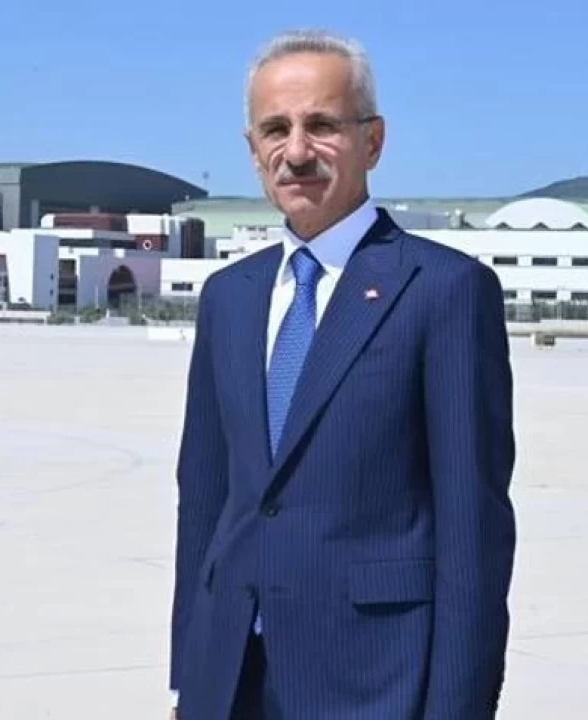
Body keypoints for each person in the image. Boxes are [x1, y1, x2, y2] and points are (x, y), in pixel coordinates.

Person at [168, 28, 517, 719]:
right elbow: (203, 503)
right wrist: (189, 681)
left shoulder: (443, 291)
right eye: (276, 129)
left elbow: (473, 531)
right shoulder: (229, 298)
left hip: (373, 683)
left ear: (373, 142)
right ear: (252, 149)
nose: (296, 152)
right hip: (230, 678)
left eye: (322, 125)